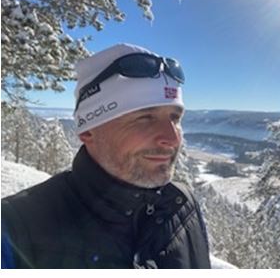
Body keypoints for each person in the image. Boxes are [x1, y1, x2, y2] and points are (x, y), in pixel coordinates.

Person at [1, 43, 211, 269]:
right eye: (145, 118)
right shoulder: (16, 227)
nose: (172, 138)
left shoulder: (183, 205)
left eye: (175, 118)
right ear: (87, 130)